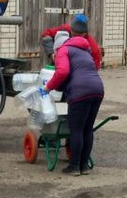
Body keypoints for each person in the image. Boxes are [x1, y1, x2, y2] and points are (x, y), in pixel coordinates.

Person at [43, 14, 104, 175]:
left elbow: (62, 72)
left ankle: (74, 166)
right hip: (97, 89)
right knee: (87, 129)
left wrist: (48, 87)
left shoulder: (64, 49)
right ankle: (84, 165)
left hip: (80, 92)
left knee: (76, 129)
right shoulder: (86, 50)